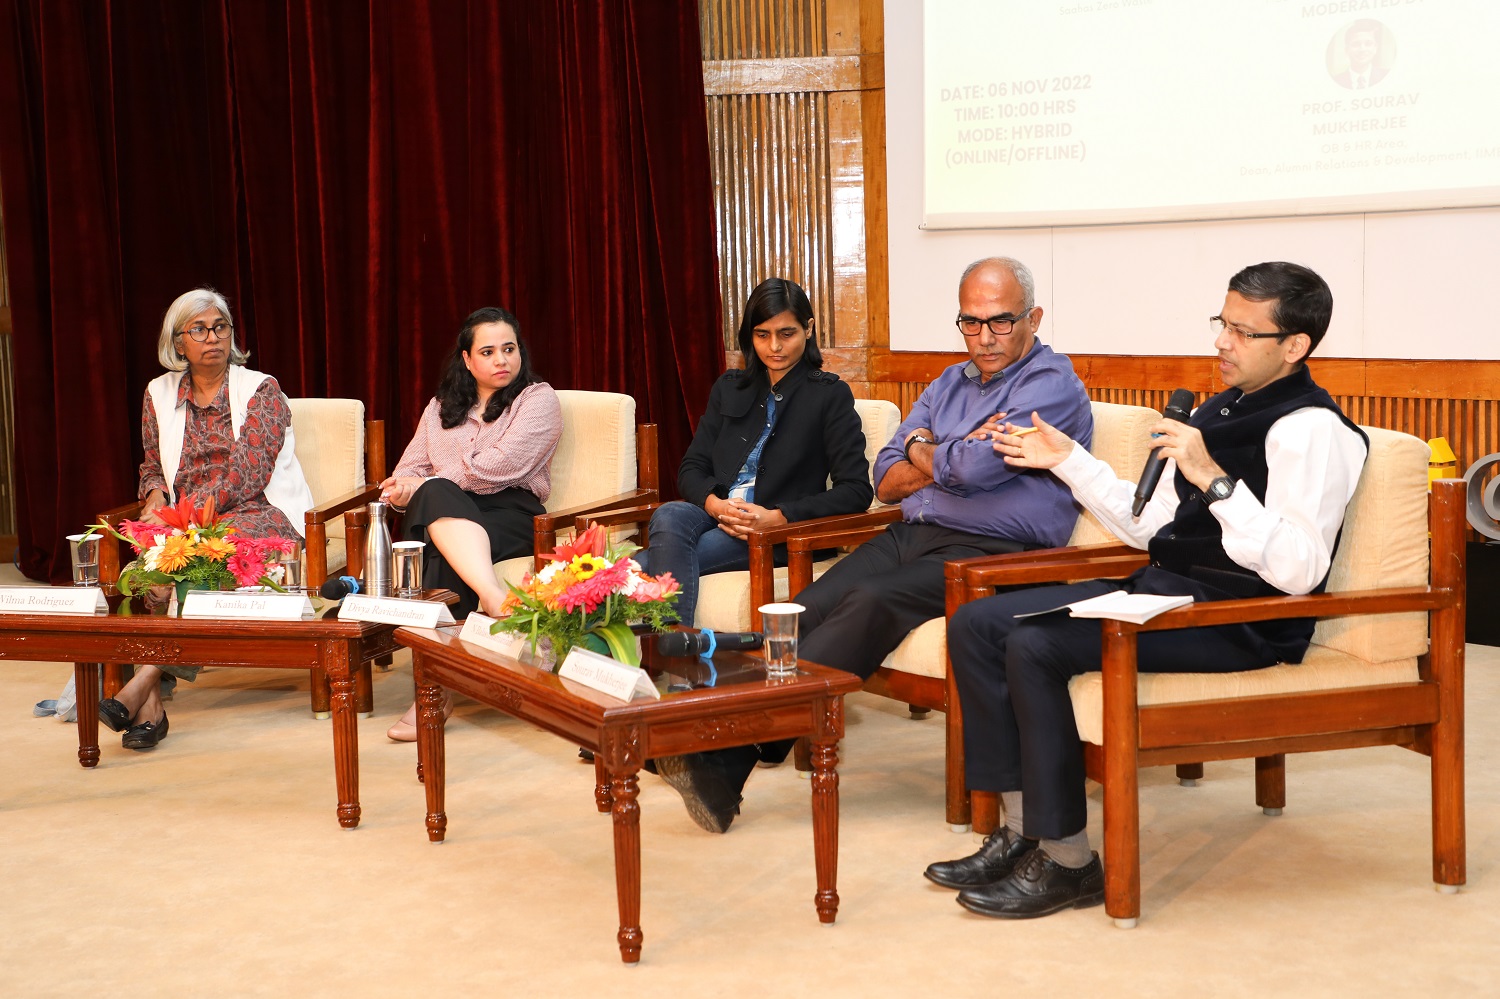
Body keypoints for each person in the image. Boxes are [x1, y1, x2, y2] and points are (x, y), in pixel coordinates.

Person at [925, 261, 1368, 920]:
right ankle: (1022, 832)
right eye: (1223, 323)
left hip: (1240, 618)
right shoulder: (1218, 409)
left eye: (1243, 331)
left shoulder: (1315, 431)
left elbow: (1300, 567)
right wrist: (1067, 460)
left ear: (1294, 346)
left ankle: (1070, 861)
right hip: (1164, 592)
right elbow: (1150, 524)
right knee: (978, 624)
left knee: (1037, 643)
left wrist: (1213, 477)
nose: (1222, 341)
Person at [654, 256, 1093, 833]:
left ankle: (726, 758)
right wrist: (938, 448)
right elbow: (885, 479)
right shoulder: (948, 382)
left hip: (996, 554)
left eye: (1001, 322)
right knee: (803, 610)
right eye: (970, 322)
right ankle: (730, 740)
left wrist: (937, 449)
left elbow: (974, 471)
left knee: (871, 602)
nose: (983, 338)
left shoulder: (1051, 386)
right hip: (913, 530)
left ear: (1034, 316)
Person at [98, 287, 316, 751]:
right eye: (198, 329)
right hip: (185, 518)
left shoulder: (262, 389)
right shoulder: (157, 393)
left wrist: (184, 522)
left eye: (220, 327)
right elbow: (152, 461)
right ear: (178, 343)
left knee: (202, 560)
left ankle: (142, 683)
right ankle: (152, 707)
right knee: (146, 573)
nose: (212, 337)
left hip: (258, 512)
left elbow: (248, 475)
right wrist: (154, 493)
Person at [636, 277, 872, 628]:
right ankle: (678, 650)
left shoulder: (829, 396)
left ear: (808, 329)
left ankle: (672, 653)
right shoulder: (730, 387)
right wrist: (715, 504)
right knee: (670, 514)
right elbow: (691, 468)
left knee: (639, 565)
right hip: (719, 513)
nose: (774, 346)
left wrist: (778, 516)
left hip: (773, 532)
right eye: (762, 335)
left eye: (786, 333)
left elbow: (856, 490)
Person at [380, 306, 562, 741]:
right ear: (467, 359)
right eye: (488, 351)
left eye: (509, 349)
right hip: (450, 514)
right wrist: (407, 488)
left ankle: (434, 688)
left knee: (435, 506)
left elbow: (497, 468)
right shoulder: (440, 407)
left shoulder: (536, 399)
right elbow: (408, 468)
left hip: (514, 514)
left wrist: (422, 484)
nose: (502, 360)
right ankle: (493, 597)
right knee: (435, 502)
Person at [1332, 19, 1389, 90]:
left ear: (1375, 48)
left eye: (1368, 44)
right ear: (1347, 50)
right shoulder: (1335, 82)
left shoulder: (1387, 76)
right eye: (1356, 44)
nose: (1362, 49)